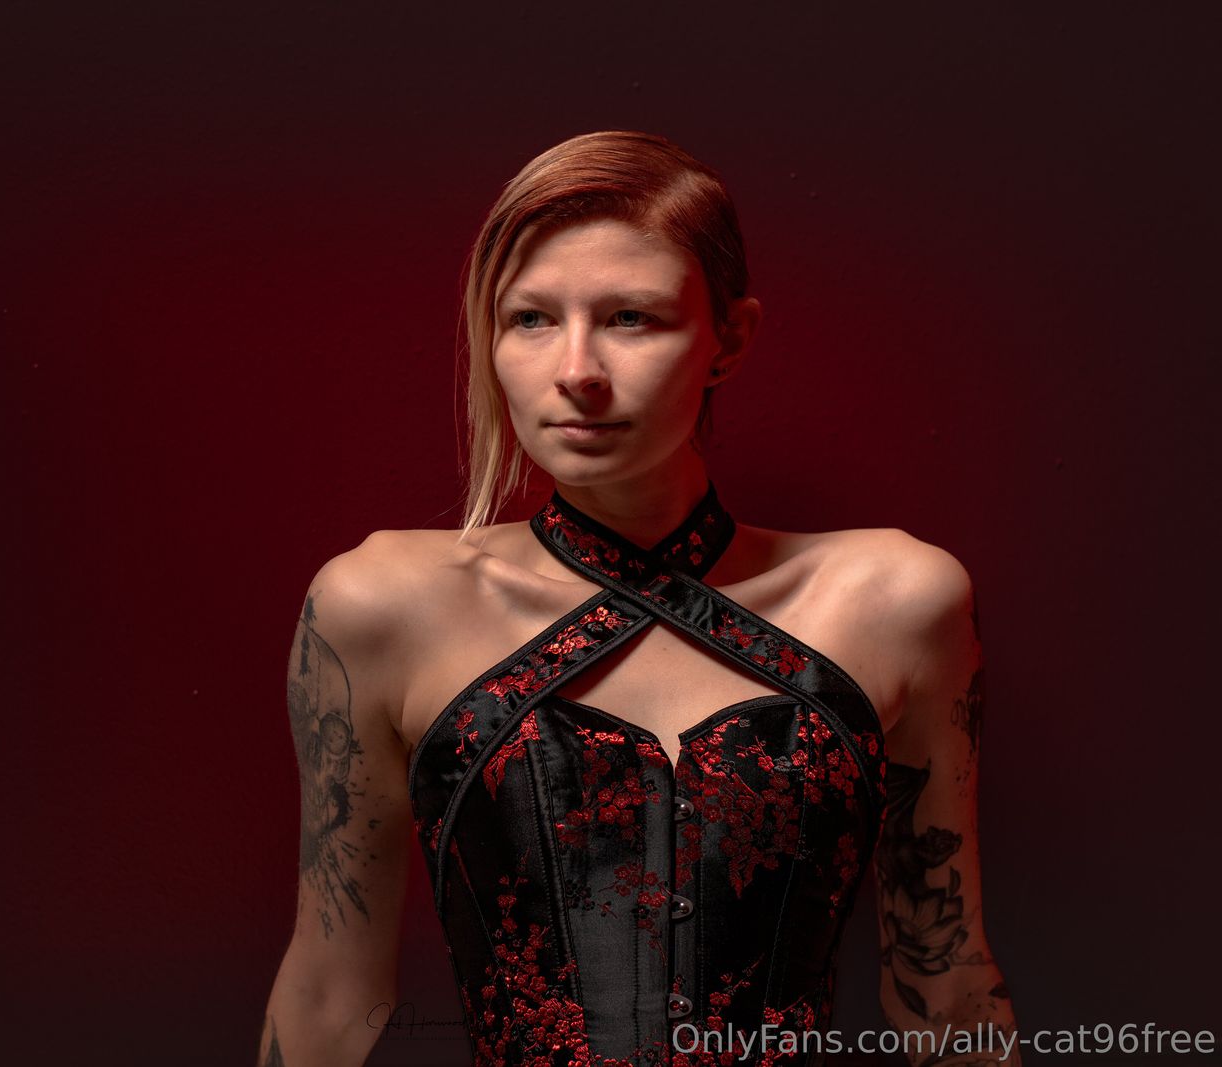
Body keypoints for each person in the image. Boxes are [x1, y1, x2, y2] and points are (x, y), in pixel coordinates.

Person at [258, 130, 1019, 1067]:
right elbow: (331, 991)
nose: (576, 369)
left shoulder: (898, 601)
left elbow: (945, 986)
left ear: (729, 339)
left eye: (631, 317)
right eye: (531, 318)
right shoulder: (377, 605)